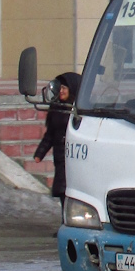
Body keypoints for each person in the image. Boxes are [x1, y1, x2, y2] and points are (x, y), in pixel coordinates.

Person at [33, 71, 80, 203]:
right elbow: (50, 135)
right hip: (60, 160)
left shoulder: (80, 110)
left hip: (76, 159)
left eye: (64, 88)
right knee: (62, 191)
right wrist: (39, 153)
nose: (61, 91)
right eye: (59, 88)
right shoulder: (56, 108)